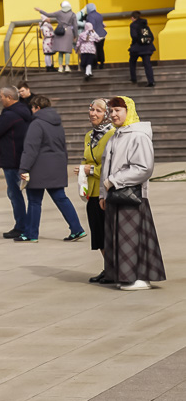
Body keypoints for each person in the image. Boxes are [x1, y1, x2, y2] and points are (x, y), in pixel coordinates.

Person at [101, 95, 165, 290]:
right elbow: (106, 166)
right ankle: (126, 276)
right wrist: (103, 195)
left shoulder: (138, 135)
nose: (113, 114)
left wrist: (114, 181)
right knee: (120, 237)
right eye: (111, 111)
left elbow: (144, 168)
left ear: (128, 111)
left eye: (117, 110)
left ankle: (138, 277)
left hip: (131, 195)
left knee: (131, 237)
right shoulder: (116, 135)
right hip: (115, 194)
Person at [17, 95, 86, 243]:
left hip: (39, 167)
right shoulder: (57, 123)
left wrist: (23, 168)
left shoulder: (37, 124)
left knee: (34, 201)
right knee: (61, 198)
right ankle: (77, 229)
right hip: (56, 166)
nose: (31, 111)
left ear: (37, 108)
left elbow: (30, 149)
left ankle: (31, 234)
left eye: (32, 108)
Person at [0, 86, 33, 239]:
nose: (0, 99)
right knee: (19, 193)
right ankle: (24, 225)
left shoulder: (10, 115)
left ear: (9, 98)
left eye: (1, 97)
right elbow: (8, 129)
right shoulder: (21, 111)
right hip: (20, 157)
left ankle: (21, 226)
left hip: (12, 159)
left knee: (14, 193)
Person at [80, 98, 116, 284]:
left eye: (99, 111)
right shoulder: (89, 136)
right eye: (91, 109)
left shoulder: (113, 135)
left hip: (107, 191)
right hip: (92, 192)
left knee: (110, 233)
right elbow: (88, 159)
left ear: (107, 114)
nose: (93, 113)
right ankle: (109, 268)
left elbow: (115, 167)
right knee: (99, 234)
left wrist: (91, 170)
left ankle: (116, 269)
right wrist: (83, 171)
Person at [37, 2, 78, 72]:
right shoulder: (73, 14)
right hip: (68, 31)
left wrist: (40, 10)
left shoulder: (59, 13)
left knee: (61, 51)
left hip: (59, 31)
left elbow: (48, 14)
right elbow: (75, 26)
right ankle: (67, 66)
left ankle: (60, 67)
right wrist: (75, 35)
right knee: (67, 51)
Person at [129, 11, 156, 87]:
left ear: (133, 17)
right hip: (147, 47)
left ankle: (133, 78)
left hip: (137, 47)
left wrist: (133, 44)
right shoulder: (145, 25)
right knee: (147, 64)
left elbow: (134, 36)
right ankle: (151, 81)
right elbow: (151, 36)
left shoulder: (133, 25)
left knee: (132, 61)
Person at [84, 3, 108, 69]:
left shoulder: (90, 16)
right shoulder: (99, 15)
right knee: (101, 49)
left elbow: (92, 26)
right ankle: (102, 63)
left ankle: (95, 64)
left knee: (94, 50)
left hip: (95, 35)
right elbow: (100, 24)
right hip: (102, 35)